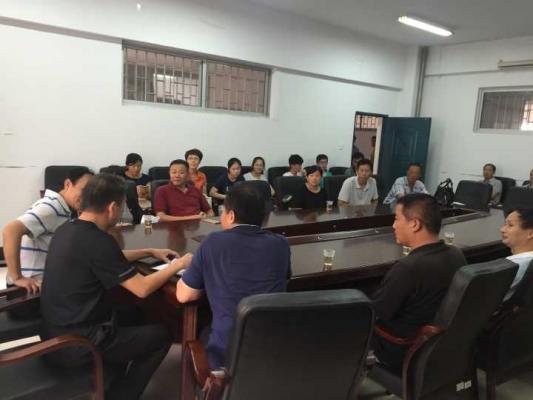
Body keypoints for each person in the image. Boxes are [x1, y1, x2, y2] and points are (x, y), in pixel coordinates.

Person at [40, 173, 192, 400]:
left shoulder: (68, 229)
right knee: (162, 335)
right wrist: (179, 265)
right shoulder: (99, 240)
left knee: (135, 313)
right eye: (121, 207)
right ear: (112, 207)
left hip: (54, 330)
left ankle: (112, 375)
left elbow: (106, 257)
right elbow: (142, 288)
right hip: (78, 343)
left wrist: (149, 251)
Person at [176, 184, 291, 369]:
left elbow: (184, 295)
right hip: (273, 343)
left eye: (223, 212)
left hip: (229, 349)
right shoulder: (280, 244)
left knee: (202, 330)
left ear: (231, 215)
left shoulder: (213, 242)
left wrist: (180, 266)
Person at [372, 193, 467, 371]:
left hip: (402, 349)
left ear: (415, 224)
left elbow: (376, 312)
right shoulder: (456, 254)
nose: (393, 225)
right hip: (438, 345)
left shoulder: (408, 268)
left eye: (397, 219)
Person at [2, 167, 93, 294]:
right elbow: (10, 231)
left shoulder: (64, 209)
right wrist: (17, 277)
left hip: (41, 283)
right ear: (68, 184)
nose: (87, 198)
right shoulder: (51, 207)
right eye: (84, 190)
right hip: (31, 288)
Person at [500, 208, 533, 301]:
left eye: (510, 225)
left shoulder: (510, 266)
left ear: (530, 233)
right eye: (505, 224)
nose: (502, 229)